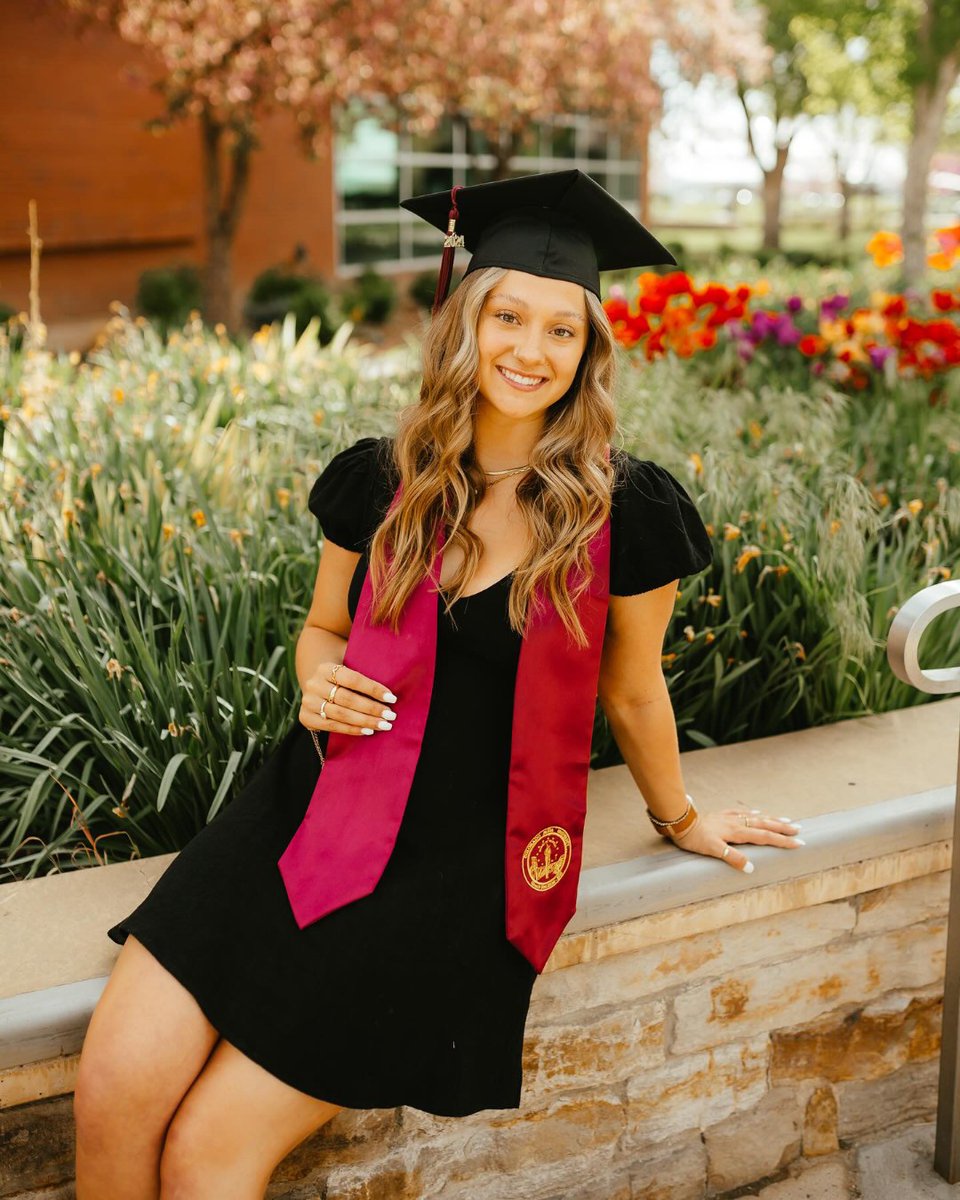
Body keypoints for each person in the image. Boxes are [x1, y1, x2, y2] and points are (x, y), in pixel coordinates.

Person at [73, 169, 803, 1199]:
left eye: (563, 330)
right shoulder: (380, 479)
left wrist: (681, 817)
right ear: (467, 318)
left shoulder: (627, 512)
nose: (531, 350)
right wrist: (318, 681)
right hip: (302, 816)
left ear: (589, 351)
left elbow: (633, 693)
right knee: (111, 1089)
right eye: (509, 315)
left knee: (205, 1157)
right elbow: (319, 633)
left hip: (457, 869)